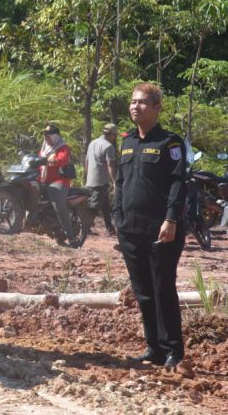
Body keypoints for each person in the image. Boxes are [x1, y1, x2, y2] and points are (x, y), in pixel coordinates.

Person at [113, 82, 188, 370]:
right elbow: (120, 183)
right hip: (130, 230)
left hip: (162, 231)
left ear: (157, 108)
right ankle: (154, 348)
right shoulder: (127, 142)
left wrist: (171, 219)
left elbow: (178, 183)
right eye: (133, 102)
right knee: (142, 290)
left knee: (162, 288)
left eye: (143, 102)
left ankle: (173, 351)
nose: (135, 106)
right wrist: (118, 218)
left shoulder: (170, 143)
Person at [39, 123, 77, 245]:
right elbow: (38, 160)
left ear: (55, 137)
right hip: (44, 180)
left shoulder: (62, 147)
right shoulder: (44, 148)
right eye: (45, 136)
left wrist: (52, 160)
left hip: (59, 181)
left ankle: (71, 237)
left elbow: (62, 159)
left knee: (58, 205)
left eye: (49, 136)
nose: (46, 138)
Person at [85, 123, 119, 235]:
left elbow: (86, 161)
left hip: (91, 179)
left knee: (105, 205)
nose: (115, 138)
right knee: (94, 206)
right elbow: (111, 165)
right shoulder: (108, 146)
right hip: (100, 180)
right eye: (115, 135)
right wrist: (114, 181)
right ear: (112, 134)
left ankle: (110, 228)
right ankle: (85, 227)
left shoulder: (92, 143)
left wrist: (87, 175)